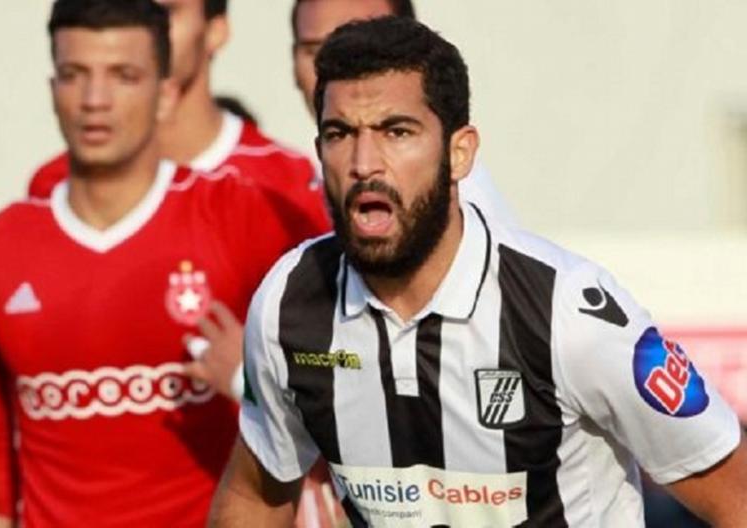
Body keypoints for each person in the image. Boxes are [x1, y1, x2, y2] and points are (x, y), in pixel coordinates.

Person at [209, 17, 747, 527]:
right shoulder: (289, 303)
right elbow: (256, 493)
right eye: (339, 133)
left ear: (460, 152)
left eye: (396, 132)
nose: (363, 163)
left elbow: (737, 498)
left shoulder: (565, 312)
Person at [0, 1, 323, 526]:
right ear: (52, 89)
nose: (95, 100)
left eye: (123, 76)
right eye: (74, 75)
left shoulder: (243, 217)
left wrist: (248, 380)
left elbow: (342, 387)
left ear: (165, 93)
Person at [28, 0, 330, 401]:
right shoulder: (54, 186)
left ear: (216, 30)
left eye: (166, 10)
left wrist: (250, 377)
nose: (141, 18)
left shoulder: (284, 184)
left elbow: (339, 359)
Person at [290, 0, 518, 228]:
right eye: (315, 50)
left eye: (398, 132)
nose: (350, 62)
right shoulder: (293, 184)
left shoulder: (467, 203)